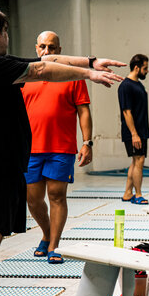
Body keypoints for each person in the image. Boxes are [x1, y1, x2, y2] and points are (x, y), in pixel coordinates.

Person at [0, 4, 124, 296]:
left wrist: (91, 60)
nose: (7, 36)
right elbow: (43, 68)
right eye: (5, 31)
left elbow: (48, 60)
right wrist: (88, 73)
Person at [22, 31, 93, 264]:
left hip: (61, 148)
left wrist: (87, 142)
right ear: (36, 48)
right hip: (30, 148)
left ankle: (53, 245)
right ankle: (46, 233)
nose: (47, 51)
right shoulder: (26, 75)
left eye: (52, 47)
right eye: (42, 46)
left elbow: (83, 110)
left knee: (57, 196)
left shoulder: (72, 76)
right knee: (32, 199)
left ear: (59, 50)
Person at [118, 54, 149, 205]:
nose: (147, 71)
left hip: (141, 130)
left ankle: (127, 193)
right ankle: (138, 194)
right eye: (145, 68)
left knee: (136, 161)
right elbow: (126, 111)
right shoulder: (126, 86)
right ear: (136, 68)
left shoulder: (137, 84)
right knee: (139, 160)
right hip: (133, 132)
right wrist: (134, 134)